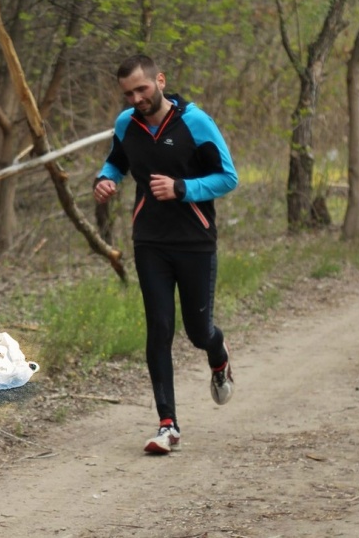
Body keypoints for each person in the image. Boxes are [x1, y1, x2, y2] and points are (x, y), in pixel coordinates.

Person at [94, 53, 238, 454]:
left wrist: (182, 189)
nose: (137, 98)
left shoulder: (196, 122)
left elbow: (228, 177)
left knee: (198, 333)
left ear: (160, 80)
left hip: (195, 241)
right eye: (128, 93)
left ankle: (219, 354)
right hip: (150, 240)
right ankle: (168, 425)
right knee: (159, 328)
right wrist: (104, 181)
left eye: (142, 88)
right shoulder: (127, 124)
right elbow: (115, 163)